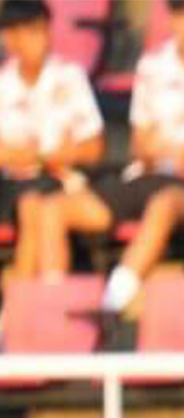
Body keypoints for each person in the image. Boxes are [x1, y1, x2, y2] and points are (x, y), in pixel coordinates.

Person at [35, 0, 184, 311]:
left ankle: (111, 304)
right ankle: (52, 309)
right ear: (171, 19)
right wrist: (161, 151)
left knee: (163, 205)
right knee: (53, 209)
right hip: (149, 173)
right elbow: (140, 144)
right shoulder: (153, 64)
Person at [0, 0, 103, 281]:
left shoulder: (69, 77)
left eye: (44, 30)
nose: (43, 40)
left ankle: (27, 300)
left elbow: (93, 148)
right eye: (32, 32)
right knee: (32, 202)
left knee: (35, 204)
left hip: (52, 183)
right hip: (7, 186)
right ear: (10, 38)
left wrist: (36, 157)